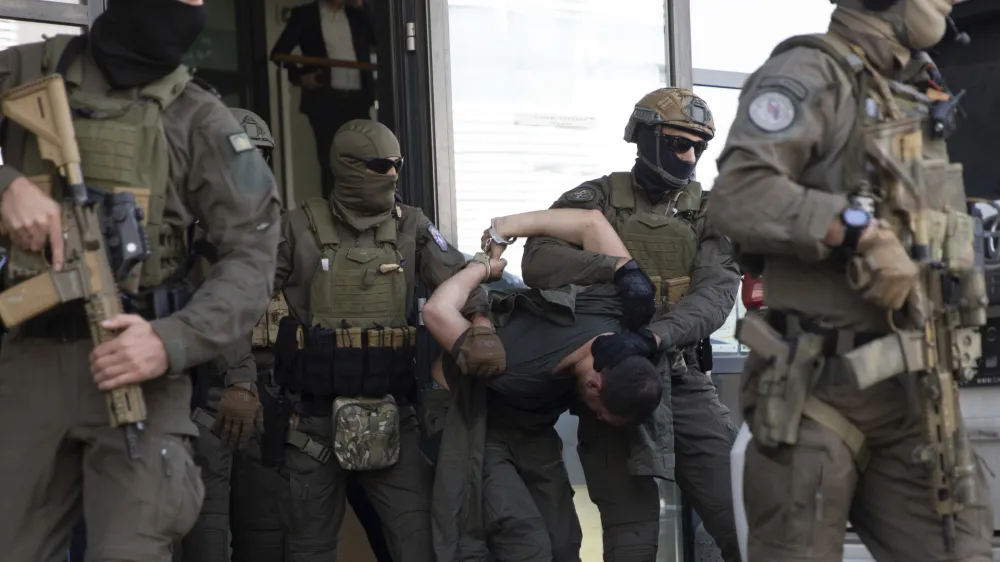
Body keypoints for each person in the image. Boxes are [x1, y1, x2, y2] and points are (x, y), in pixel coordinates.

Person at [707, 1, 994, 561]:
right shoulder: (810, 73)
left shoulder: (909, 90)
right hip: (817, 390)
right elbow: (738, 195)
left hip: (915, 393)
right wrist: (858, 232)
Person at [0, 0, 282, 560]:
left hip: (140, 369)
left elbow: (254, 254)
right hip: (28, 359)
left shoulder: (201, 118)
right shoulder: (24, 72)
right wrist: (5, 184)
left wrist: (169, 340)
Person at [520, 87, 741, 561]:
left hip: (682, 379)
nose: (689, 156)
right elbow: (539, 259)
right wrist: (617, 270)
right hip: (613, 388)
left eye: (698, 147)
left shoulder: (709, 211)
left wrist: (653, 336)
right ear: (644, 137)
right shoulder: (595, 199)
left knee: (744, 522)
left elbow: (715, 296)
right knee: (631, 541)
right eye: (678, 142)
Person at [268, 118, 492, 562]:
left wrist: (481, 324)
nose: (392, 174)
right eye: (379, 165)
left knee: (422, 545)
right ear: (347, 166)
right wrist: (239, 382)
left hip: (393, 417)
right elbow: (238, 298)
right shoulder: (295, 227)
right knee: (308, 551)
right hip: (310, 423)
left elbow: (459, 279)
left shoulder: (411, 224)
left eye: (397, 164)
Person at [425, 208, 664, 562]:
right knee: (526, 543)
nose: (596, 418)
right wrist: (483, 266)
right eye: (601, 414)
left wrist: (509, 227)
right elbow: (436, 311)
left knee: (564, 544)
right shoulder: (511, 364)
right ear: (595, 385)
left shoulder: (614, 308)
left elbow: (591, 223)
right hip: (470, 417)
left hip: (530, 424)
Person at [271, 0, 376, 199]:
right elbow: (279, 53)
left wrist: (362, 7)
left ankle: (363, 211)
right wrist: (302, 77)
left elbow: (383, 42)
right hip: (325, 100)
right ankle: (333, 216)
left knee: (364, 158)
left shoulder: (357, 14)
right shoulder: (305, 14)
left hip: (359, 99)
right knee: (331, 161)